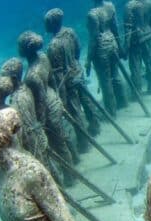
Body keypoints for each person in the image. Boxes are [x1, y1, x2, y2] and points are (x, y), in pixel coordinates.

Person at [19, 31, 77, 168]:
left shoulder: (31, 76)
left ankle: (71, 175)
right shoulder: (43, 57)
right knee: (63, 135)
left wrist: (41, 122)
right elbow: (52, 81)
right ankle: (76, 157)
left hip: (48, 108)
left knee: (58, 143)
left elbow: (40, 100)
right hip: (54, 99)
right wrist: (59, 97)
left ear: (25, 49)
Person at [45, 8, 100, 154]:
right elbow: (77, 50)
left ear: (52, 23)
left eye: (47, 23)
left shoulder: (52, 46)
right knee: (87, 101)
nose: (45, 25)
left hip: (68, 81)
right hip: (77, 71)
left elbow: (56, 73)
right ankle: (95, 126)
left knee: (75, 111)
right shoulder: (70, 32)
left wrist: (61, 95)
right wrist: (75, 64)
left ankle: (84, 143)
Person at [0, 58, 60, 183]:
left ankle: (57, 188)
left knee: (43, 166)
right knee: (47, 162)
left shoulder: (18, 101)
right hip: (36, 132)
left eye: (5, 78)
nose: (3, 82)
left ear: (14, 79)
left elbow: (23, 125)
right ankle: (59, 183)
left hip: (32, 139)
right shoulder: (25, 89)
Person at [87, 0, 128, 116]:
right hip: (112, 43)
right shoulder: (110, 6)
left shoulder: (92, 14)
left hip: (101, 49)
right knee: (116, 75)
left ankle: (111, 111)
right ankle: (123, 103)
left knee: (105, 80)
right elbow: (115, 28)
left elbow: (93, 38)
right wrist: (119, 46)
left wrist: (88, 60)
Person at [125, 0, 151, 94]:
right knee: (150, 62)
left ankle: (137, 92)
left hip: (136, 40)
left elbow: (127, 29)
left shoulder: (129, 6)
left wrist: (126, 47)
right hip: (148, 34)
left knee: (135, 66)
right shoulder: (150, 2)